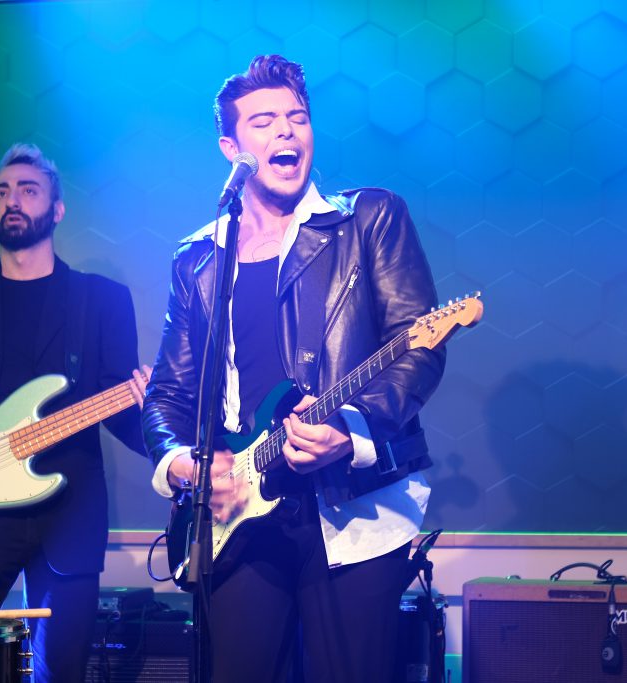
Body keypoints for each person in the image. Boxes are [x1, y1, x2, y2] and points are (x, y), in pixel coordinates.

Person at [141, 55, 447, 682]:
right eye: (263, 121)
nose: (285, 130)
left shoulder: (368, 219)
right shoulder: (197, 259)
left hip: (354, 508)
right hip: (238, 514)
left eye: (297, 118)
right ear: (231, 149)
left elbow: (418, 349)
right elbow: (168, 391)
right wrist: (179, 464)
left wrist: (351, 430)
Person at [0, 142, 149, 682]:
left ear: (57, 209)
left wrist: (164, 434)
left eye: (28, 190)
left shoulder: (102, 300)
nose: (12, 200)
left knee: (59, 672)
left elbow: (121, 412)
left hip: (69, 513)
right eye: (1, 192)